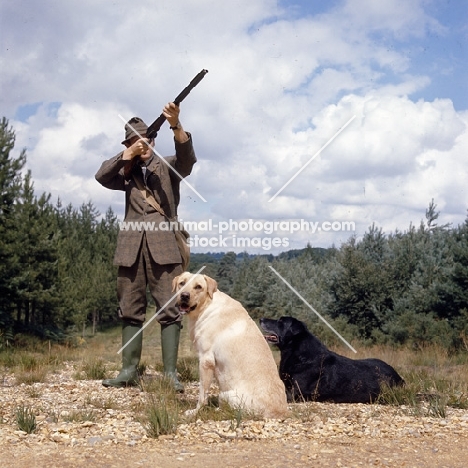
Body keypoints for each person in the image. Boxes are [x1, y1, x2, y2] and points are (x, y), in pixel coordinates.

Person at [95, 103, 196, 391]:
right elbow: (101, 176)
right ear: (129, 145)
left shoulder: (166, 167)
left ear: (154, 140)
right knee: (129, 309)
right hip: (130, 249)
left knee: (170, 308)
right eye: (137, 142)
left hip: (164, 248)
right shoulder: (125, 172)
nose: (145, 145)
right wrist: (127, 155)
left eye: (148, 140)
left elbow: (187, 161)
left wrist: (176, 125)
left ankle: (170, 375)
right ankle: (128, 370)